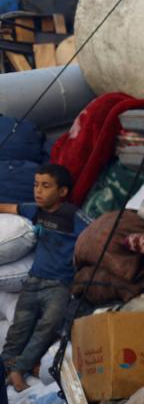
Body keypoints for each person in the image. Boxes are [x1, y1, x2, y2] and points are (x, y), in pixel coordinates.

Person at [0, 164, 87, 392]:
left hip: (58, 285)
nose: (38, 191)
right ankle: (5, 370)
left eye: (46, 186)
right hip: (33, 282)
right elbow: (8, 208)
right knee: (18, 328)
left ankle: (19, 370)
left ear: (63, 192)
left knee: (47, 327)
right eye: (36, 185)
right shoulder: (35, 211)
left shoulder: (73, 217)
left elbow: (95, 233)